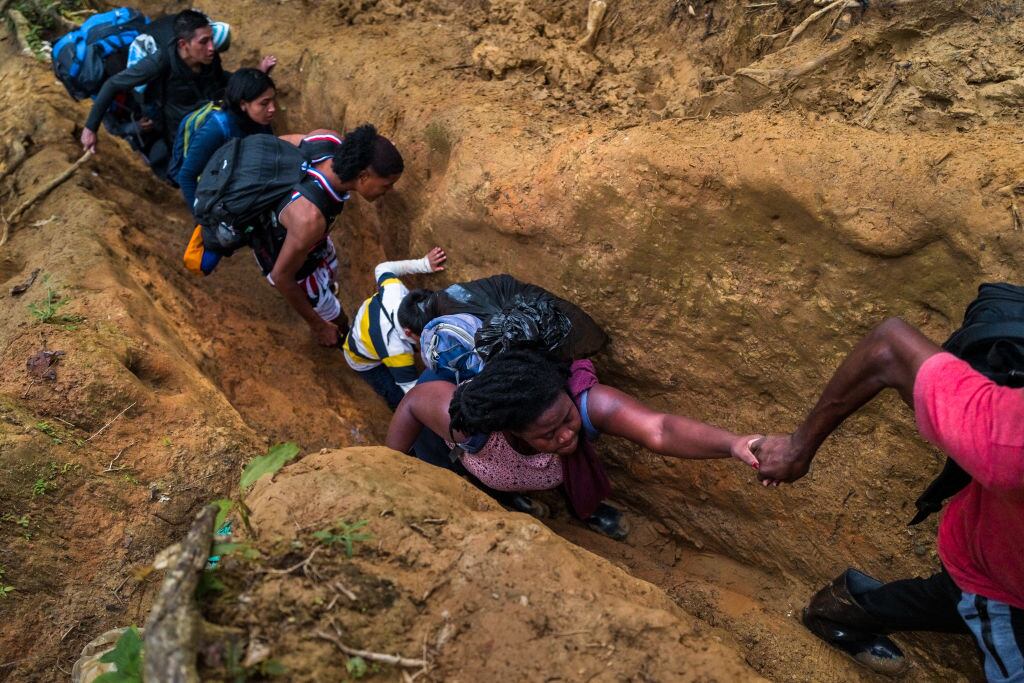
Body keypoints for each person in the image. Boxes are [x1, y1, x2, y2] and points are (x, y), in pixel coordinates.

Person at [755, 317, 1024, 679]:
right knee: (971, 596)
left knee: (954, 598)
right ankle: (845, 610)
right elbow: (888, 348)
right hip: (997, 574)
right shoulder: (1008, 439)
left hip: (998, 561)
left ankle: (847, 609)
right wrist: (796, 448)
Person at [386, 348, 762, 539]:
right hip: (471, 462)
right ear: (511, 430)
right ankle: (506, 500)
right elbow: (414, 402)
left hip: (534, 471)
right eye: (548, 434)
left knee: (566, 469)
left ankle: (583, 508)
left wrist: (732, 444)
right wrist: (388, 466)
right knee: (472, 485)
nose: (567, 435)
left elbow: (660, 429)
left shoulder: (586, 404)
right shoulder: (468, 426)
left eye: (566, 419)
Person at [250, 124, 404, 348]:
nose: (388, 191)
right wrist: (319, 325)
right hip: (289, 261)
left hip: (311, 243)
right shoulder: (310, 219)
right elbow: (281, 277)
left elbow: (277, 144)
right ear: (363, 176)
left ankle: (326, 296)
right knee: (337, 318)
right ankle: (340, 336)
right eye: (386, 185)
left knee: (330, 270)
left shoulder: (326, 141)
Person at [79, 10, 273, 179]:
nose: (212, 47)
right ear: (183, 44)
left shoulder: (208, 56)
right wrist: (90, 128)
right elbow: (113, 84)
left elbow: (221, 79)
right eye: (204, 42)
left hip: (205, 108)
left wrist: (255, 77)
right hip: (175, 119)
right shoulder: (159, 62)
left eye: (212, 39)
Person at [344, 248, 448, 410]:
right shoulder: (397, 351)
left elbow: (382, 268)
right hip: (363, 360)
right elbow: (413, 393)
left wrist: (424, 264)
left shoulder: (394, 289)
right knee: (395, 395)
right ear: (409, 333)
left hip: (366, 329)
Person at [173, 68, 277, 211]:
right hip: (215, 195)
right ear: (243, 104)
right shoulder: (216, 129)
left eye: (273, 100)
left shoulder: (260, 121)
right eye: (264, 103)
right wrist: (201, 217)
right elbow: (186, 176)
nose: (272, 108)